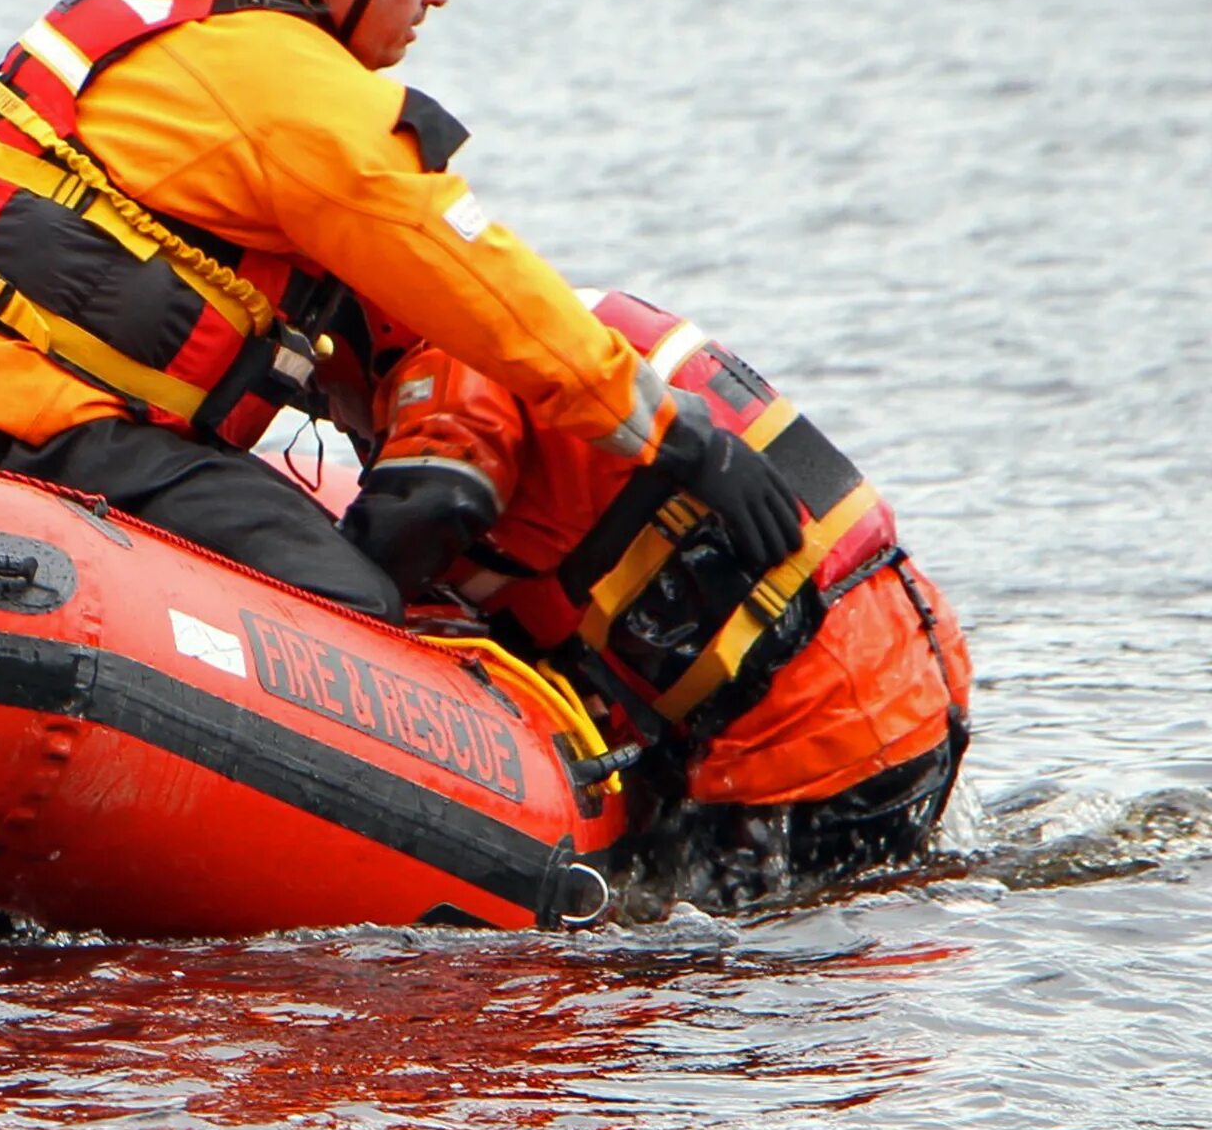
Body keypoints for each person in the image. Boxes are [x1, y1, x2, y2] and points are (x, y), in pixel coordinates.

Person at [0, 0, 803, 620]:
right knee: (350, 612)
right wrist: (677, 437)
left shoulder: (173, 8)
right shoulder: (299, 92)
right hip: (47, 427)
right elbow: (478, 279)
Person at [344, 287, 972, 906]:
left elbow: (431, 505)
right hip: (904, 688)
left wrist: (325, 584)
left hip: (810, 741)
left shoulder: (454, 352)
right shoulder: (552, 323)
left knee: (686, 978)